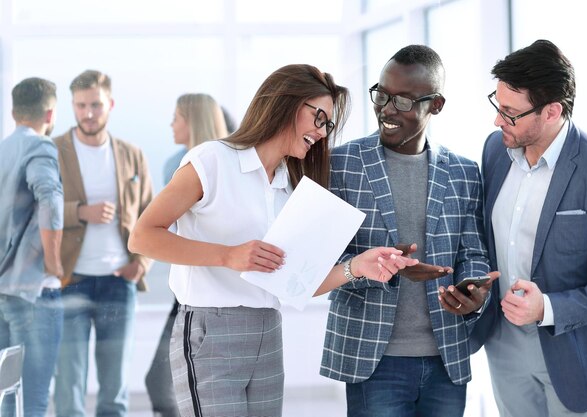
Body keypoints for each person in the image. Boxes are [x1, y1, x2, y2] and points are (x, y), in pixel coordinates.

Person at [128, 63, 419, 417]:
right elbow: (142, 236)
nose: (322, 132)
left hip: (268, 331)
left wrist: (356, 267)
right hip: (211, 329)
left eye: (327, 125)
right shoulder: (213, 160)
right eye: (319, 118)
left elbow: (295, 281)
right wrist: (227, 256)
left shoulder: (288, 187)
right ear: (287, 103)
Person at [320, 44, 498, 417]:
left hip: (446, 357)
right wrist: (380, 267)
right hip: (374, 358)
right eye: (382, 94)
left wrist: (472, 290)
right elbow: (319, 262)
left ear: (436, 105)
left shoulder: (464, 172)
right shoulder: (340, 164)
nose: (386, 108)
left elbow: (472, 252)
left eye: (402, 101)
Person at [470, 39, 587, 417]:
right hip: (503, 344)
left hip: (573, 351)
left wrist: (549, 307)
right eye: (497, 104)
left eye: (510, 113)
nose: (497, 121)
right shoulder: (494, 150)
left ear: (552, 111)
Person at [52, 69, 153, 417]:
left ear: (110, 104)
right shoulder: (55, 151)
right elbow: (37, 209)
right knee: (69, 386)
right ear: (73, 106)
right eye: (80, 105)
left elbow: (151, 213)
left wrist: (142, 263)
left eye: (95, 104)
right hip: (70, 281)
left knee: (115, 388)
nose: (88, 113)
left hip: (118, 282)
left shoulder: (131, 153)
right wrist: (81, 211)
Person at [145, 93, 229, 417]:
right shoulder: (175, 164)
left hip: (213, 291)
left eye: (176, 117)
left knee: (184, 381)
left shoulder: (223, 165)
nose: (171, 124)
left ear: (191, 121)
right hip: (188, 287)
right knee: (163, 380)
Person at [0, 77, 63, 417]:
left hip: (3, 292)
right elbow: (50, 201)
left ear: (13, 111)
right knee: (34, 399)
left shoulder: (3, 148)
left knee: (8, 396)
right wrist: (55, 263)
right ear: (50, 113)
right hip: (34, 291)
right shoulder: (40, 146)